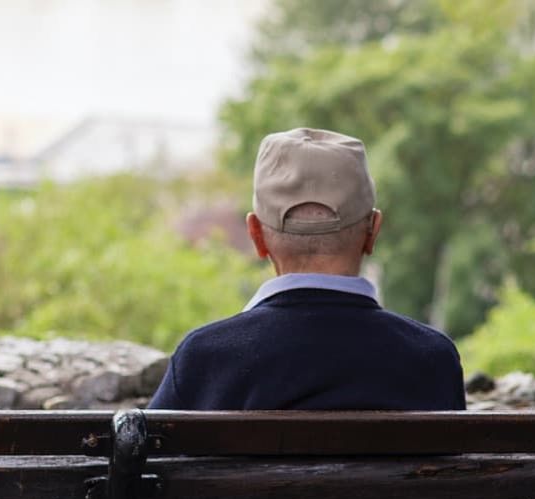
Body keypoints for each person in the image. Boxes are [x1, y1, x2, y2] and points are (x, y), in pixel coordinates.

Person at [148, 127, 465, 410]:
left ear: (256, 236)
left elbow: (142, 464)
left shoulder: (204, 360)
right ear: (372, 232)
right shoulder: (433, 360)